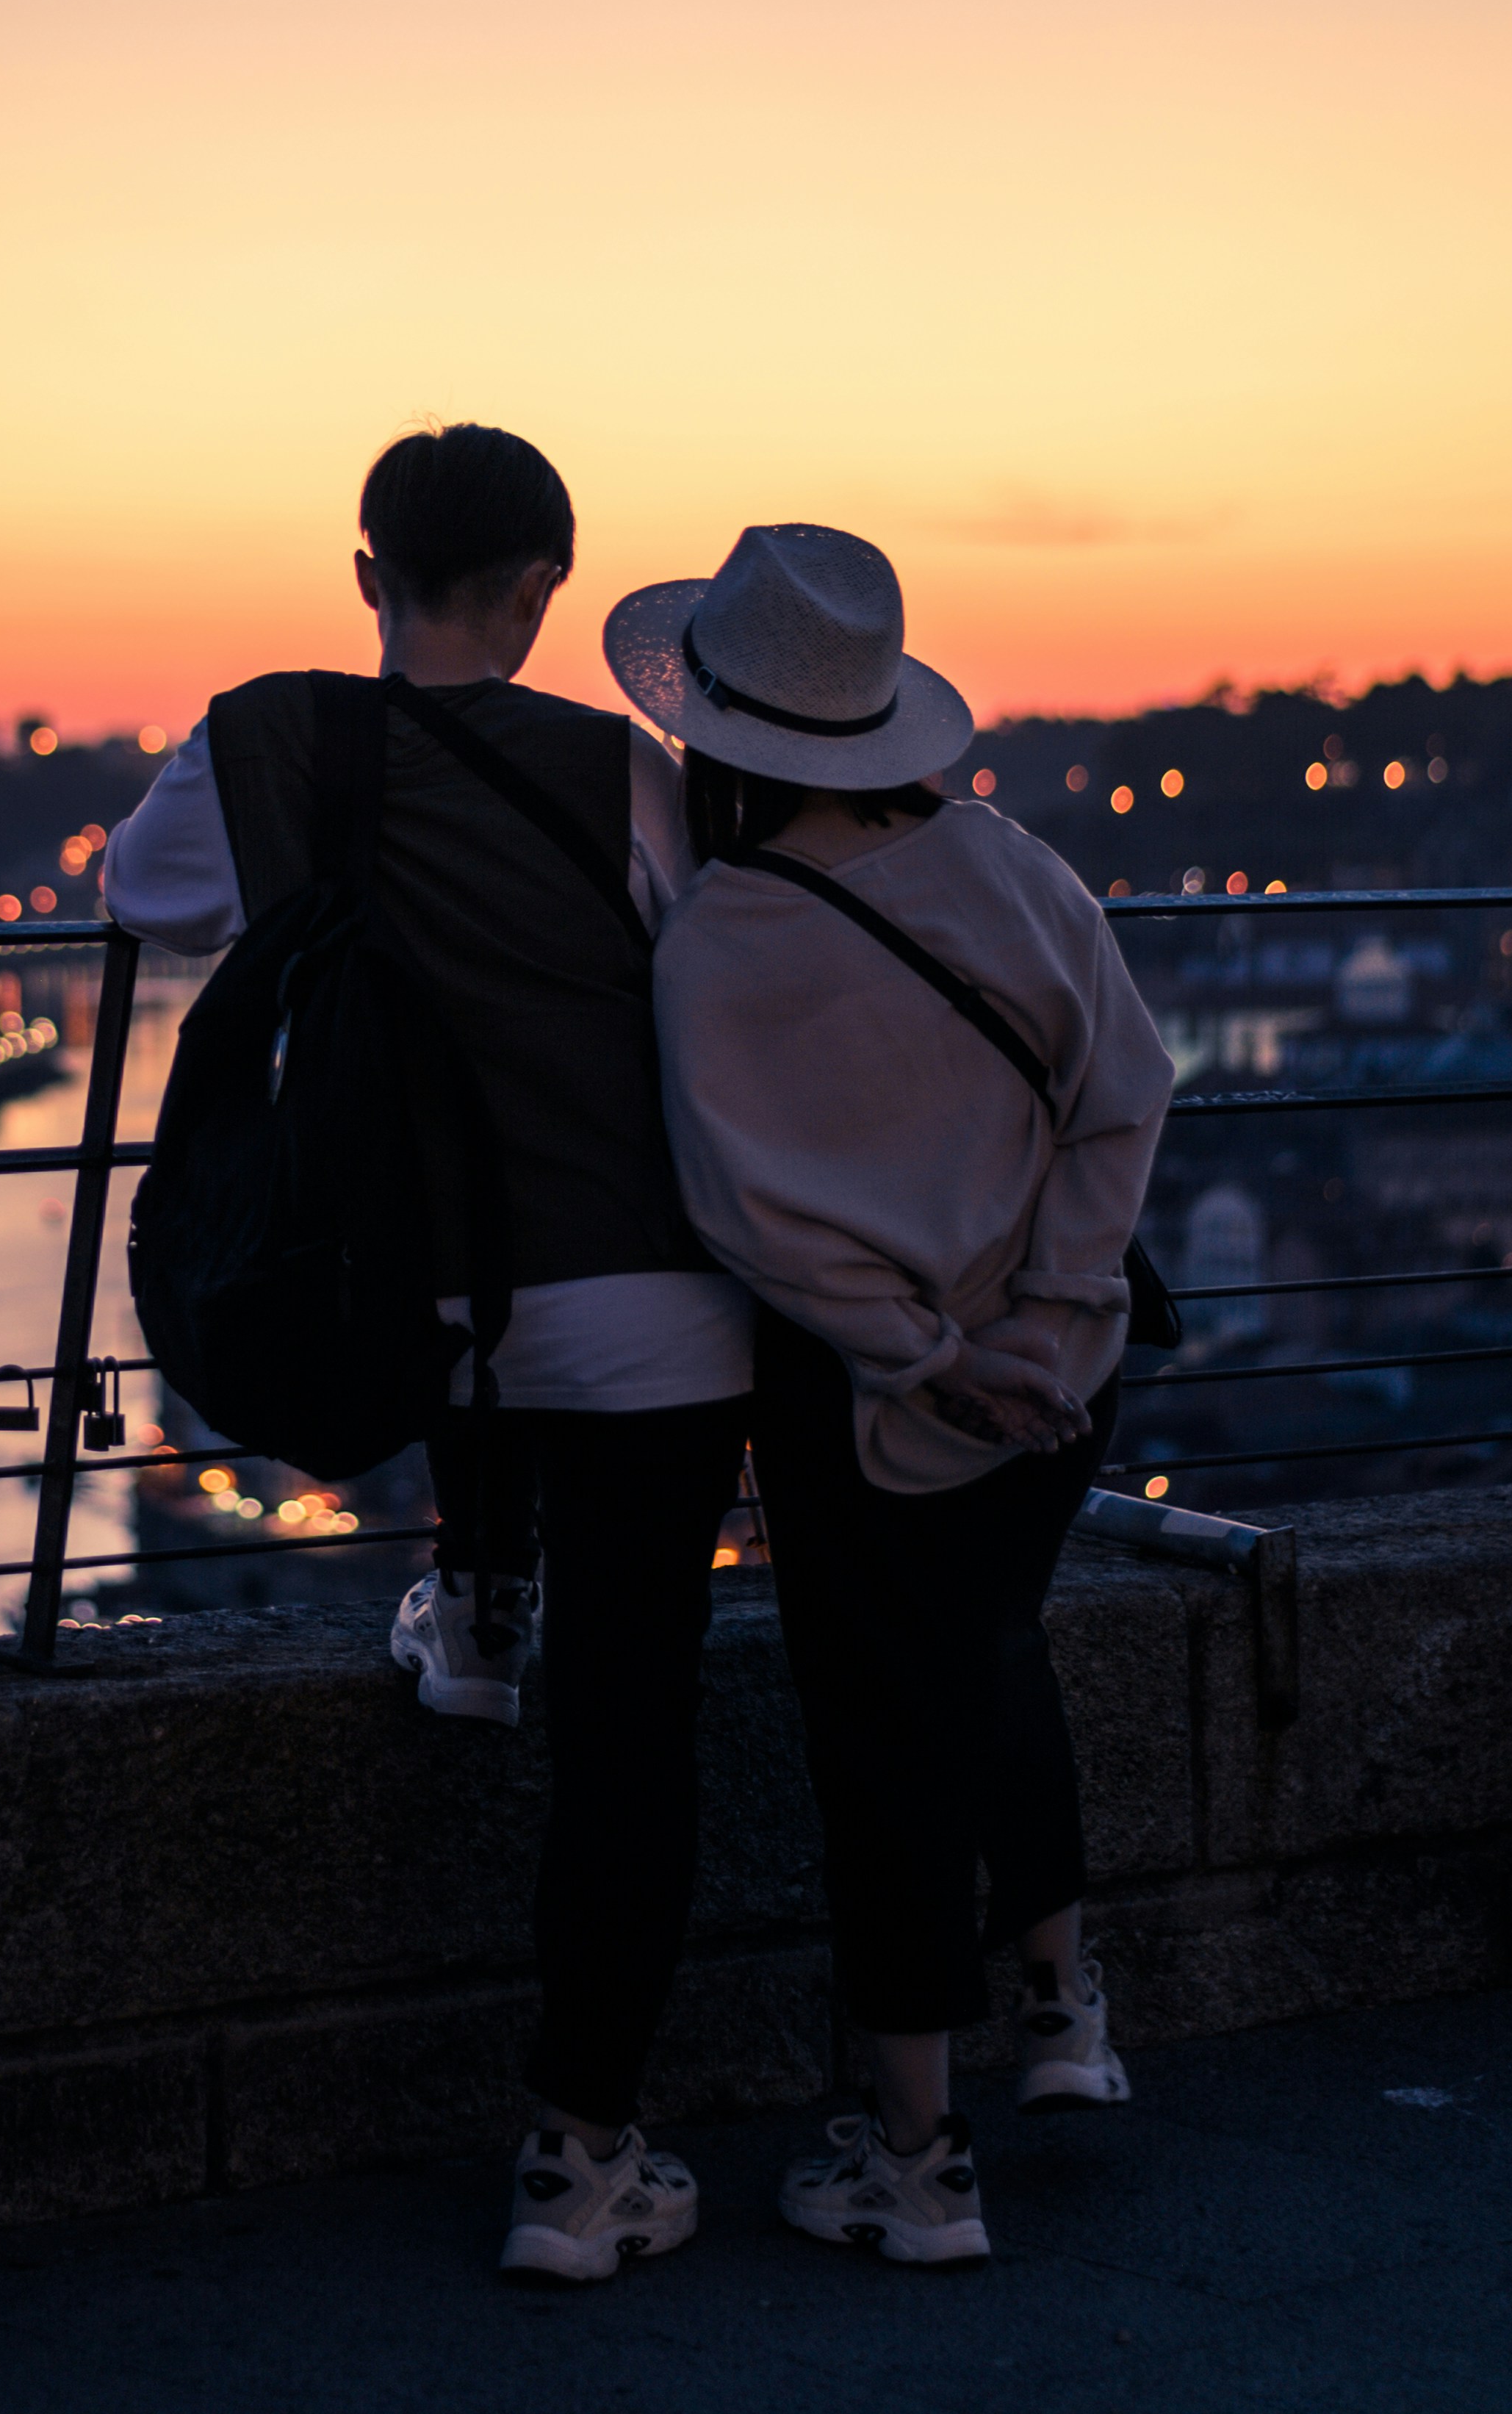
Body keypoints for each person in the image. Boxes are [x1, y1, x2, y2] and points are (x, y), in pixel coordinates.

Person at [105, 422, 754, 2281]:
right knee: (632, 1737)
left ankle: (473, 1606)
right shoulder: (623, 775)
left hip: (411, 1300)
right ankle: (578, 2158)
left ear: (366, 573)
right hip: (635, 1299)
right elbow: (694, 987)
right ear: (546, 591)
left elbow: (137, 897)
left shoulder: (269, 738)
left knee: (465, 1312)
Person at [607, 520, 1173, 2266]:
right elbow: (1125, 1089)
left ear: (714, 729)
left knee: (882, 1752)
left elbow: (752, 1222)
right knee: (991, 1664)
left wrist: (931, 1355)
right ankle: (1059, 2006)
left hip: (877, 1412)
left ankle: (917, 2159)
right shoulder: (1015, 870)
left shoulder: (716, 939)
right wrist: (1051, 1318)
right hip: (1060, 1384)